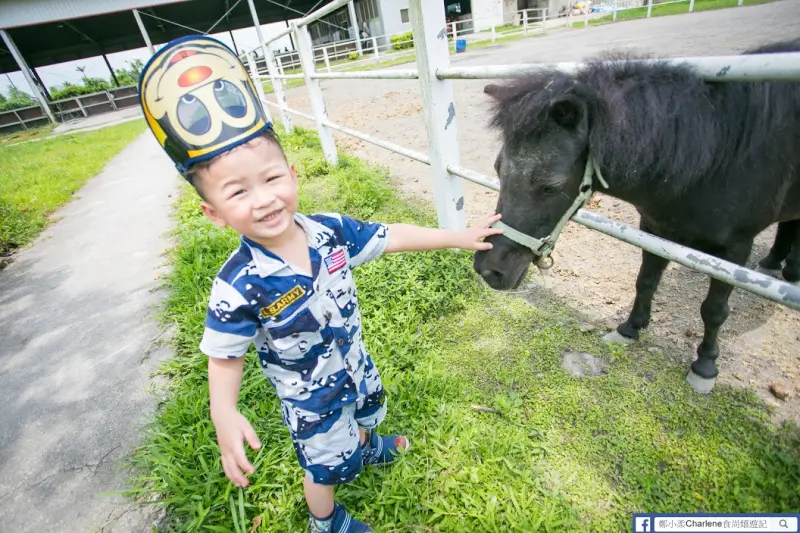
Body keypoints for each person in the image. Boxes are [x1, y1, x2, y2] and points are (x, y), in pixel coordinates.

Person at [139, 35, 502, 533]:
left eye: (271, 179)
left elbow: (390, 235)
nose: (263, 199)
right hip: (313, 401)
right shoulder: (239, 285)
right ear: (214, 213)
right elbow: (225, 356)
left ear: (291, 173)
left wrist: (459, 236)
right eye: (238, 192)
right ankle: (325, 520)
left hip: (355, 364)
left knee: (370, 409)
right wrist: (222, 411)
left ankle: (369, 446)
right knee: (324, 467)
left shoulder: (328, 231)